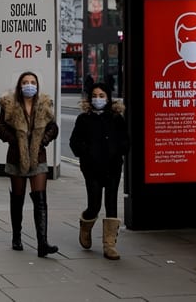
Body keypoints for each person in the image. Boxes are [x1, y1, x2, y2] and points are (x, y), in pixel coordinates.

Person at [0, 71, 59, 257]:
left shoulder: (44, 104)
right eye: (25, 82)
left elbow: (53, 127)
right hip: (16, 157)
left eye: (32, 82)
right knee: (18, 197)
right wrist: (15, 140)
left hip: (38, 156)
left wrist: (44, 141)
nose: (29, 85)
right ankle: (17, 237)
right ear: (19, 85)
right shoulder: (10, 105)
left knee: (40, 199)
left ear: (37, 85)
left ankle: (42, 243)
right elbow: (0, 127)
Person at [69, 82, 130, 260]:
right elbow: (74, 142)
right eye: (95, 95)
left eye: (102, 96)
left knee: (111, 203)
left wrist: (119, 150)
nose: (98, 99)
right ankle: (85, 225)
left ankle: (109, 244)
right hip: (92, 168)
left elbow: (125, 140)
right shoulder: (84, 119)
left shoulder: (117, 118)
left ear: (108, 98)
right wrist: (86, 153)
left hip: (112, 167)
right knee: (94, 204)